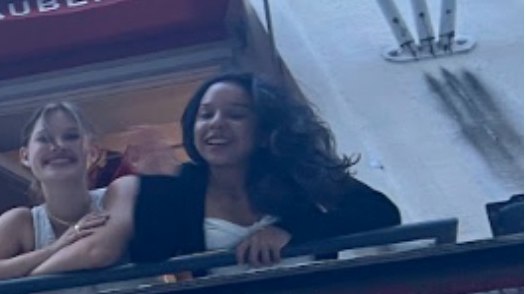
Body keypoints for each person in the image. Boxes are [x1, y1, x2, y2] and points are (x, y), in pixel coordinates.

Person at [120, 73, 401, 266]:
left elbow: (380, 211)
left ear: (266, 132)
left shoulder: (296, 170)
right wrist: (156, 182)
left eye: (236, 114)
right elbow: (150, 253)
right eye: (205, 115)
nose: (216, 123)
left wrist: (288, 231)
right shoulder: (182, 183)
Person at [0, 101, 134, 286]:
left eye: (71, 136)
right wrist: (53, 248)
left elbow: (97, 253)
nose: (58, 145)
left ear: (92, 152)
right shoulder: (22, 222)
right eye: (44, 139)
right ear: (25, 156)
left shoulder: (121, 191)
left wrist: (25, 282)